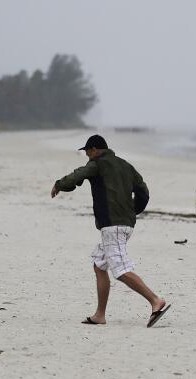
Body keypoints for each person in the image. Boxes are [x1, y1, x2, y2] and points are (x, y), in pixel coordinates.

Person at [50, 134, 171, 327]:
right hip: (125, 224)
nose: (87, 156)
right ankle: (100, 315)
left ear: (95, 150)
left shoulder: (98, 163)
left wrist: (59, 184)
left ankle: (155, 300)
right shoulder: (126, 165)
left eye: (88, 152)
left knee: (121, 270)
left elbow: (78, 175)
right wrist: (133, 210)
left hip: (112, 225)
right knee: (99, 264)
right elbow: (143, 192)